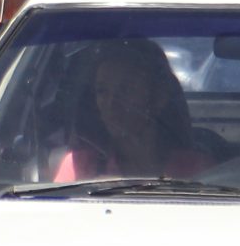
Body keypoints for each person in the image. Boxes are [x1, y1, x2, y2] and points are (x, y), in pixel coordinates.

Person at [50, 39, 213, 182]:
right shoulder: (79, 167)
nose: (111, 103)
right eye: (102, 91)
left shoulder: (196, 169)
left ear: (158, 98)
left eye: (125, 90)